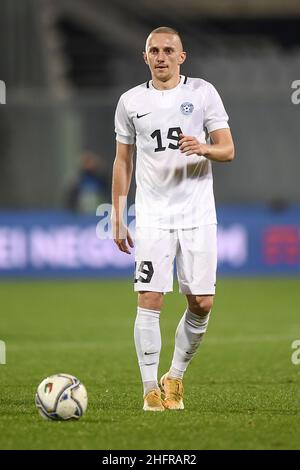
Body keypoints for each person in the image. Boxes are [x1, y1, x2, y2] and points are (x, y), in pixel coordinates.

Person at [111, 26, 234, 411]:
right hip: (153, 216)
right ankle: (150, 388)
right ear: (144, 56)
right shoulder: (130, 101)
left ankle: (174, 376)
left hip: (198, 214)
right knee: (149, 298)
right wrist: (117, 213)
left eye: (168, 50)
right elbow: (123, 160)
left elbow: (228, 150)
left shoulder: (202, 93)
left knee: (201, 302)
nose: (161, 56)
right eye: (153, 50)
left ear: (182, 56)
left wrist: (204, 147)